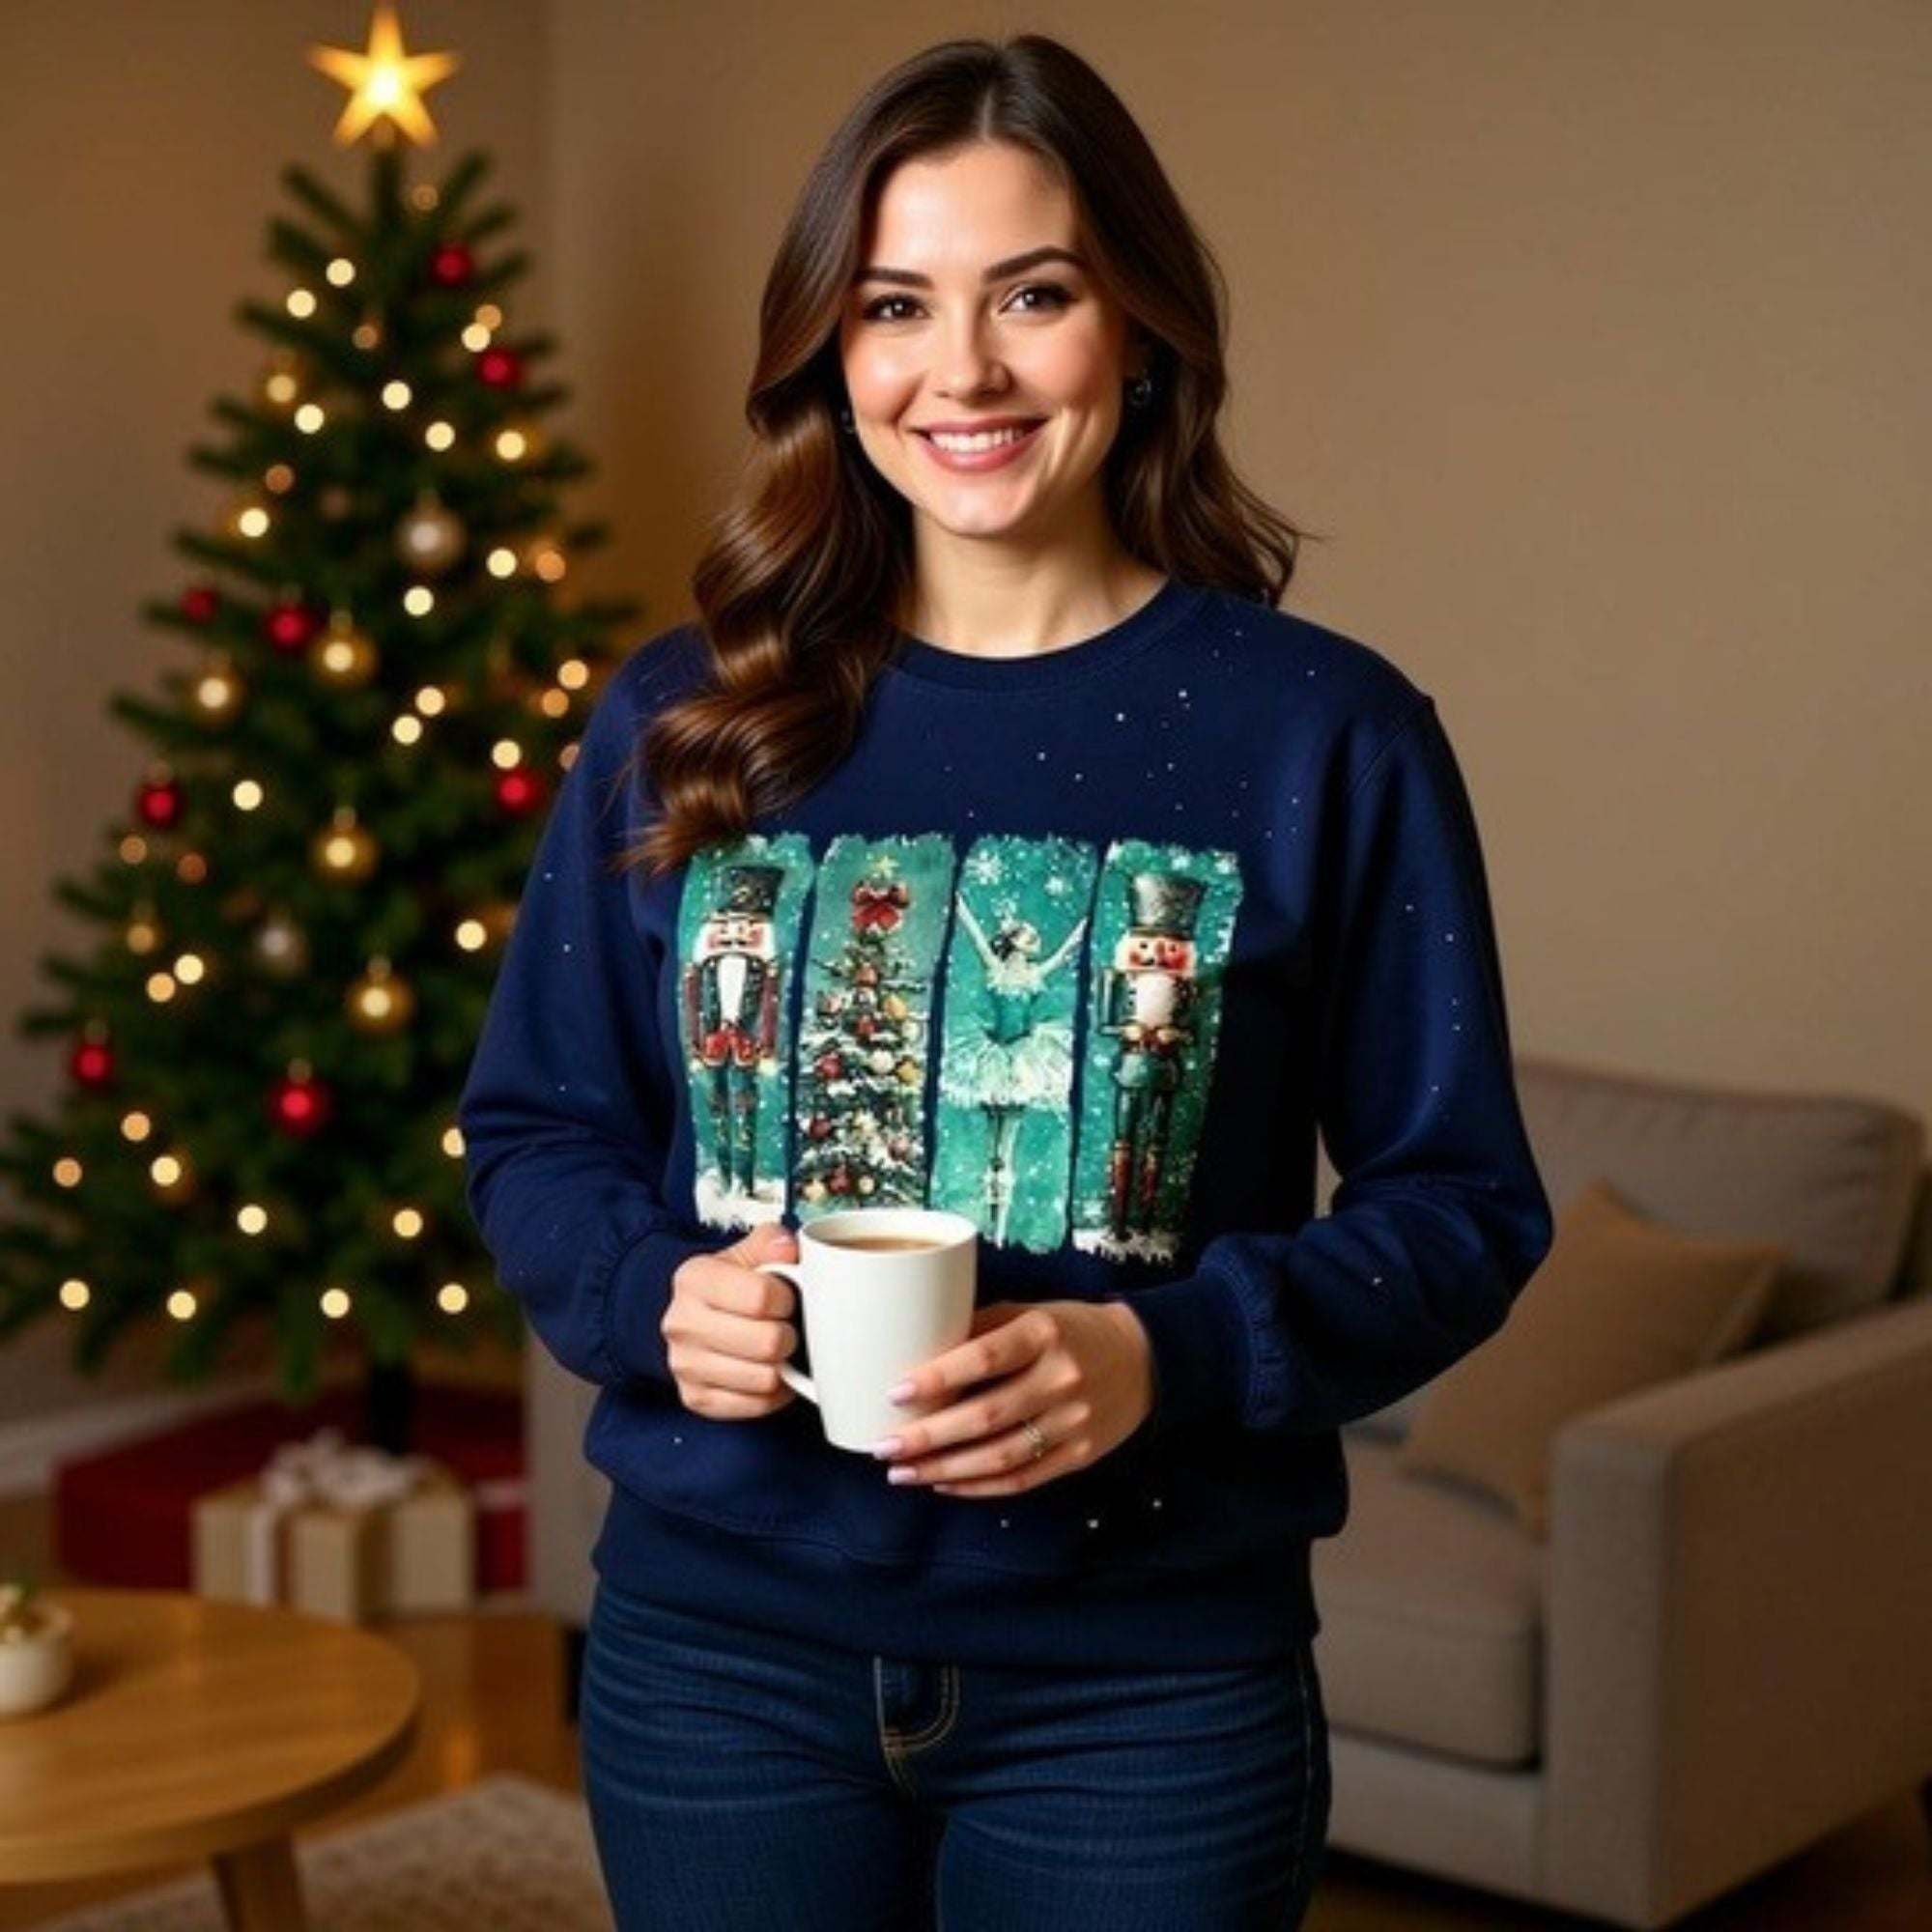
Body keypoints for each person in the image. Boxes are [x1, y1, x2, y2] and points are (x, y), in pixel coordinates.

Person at [458, 33, 1553, 1932]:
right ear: (831, 348)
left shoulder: (1323, 738)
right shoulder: (679, 718)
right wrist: (656, 1297)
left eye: (1028, 295)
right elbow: (537, 1125)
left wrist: (1167, 1352)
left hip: (1148, 1688)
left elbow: (1460, 1205)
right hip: (716, 1662)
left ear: (1133, 324)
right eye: (895, 305)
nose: (957, 372)